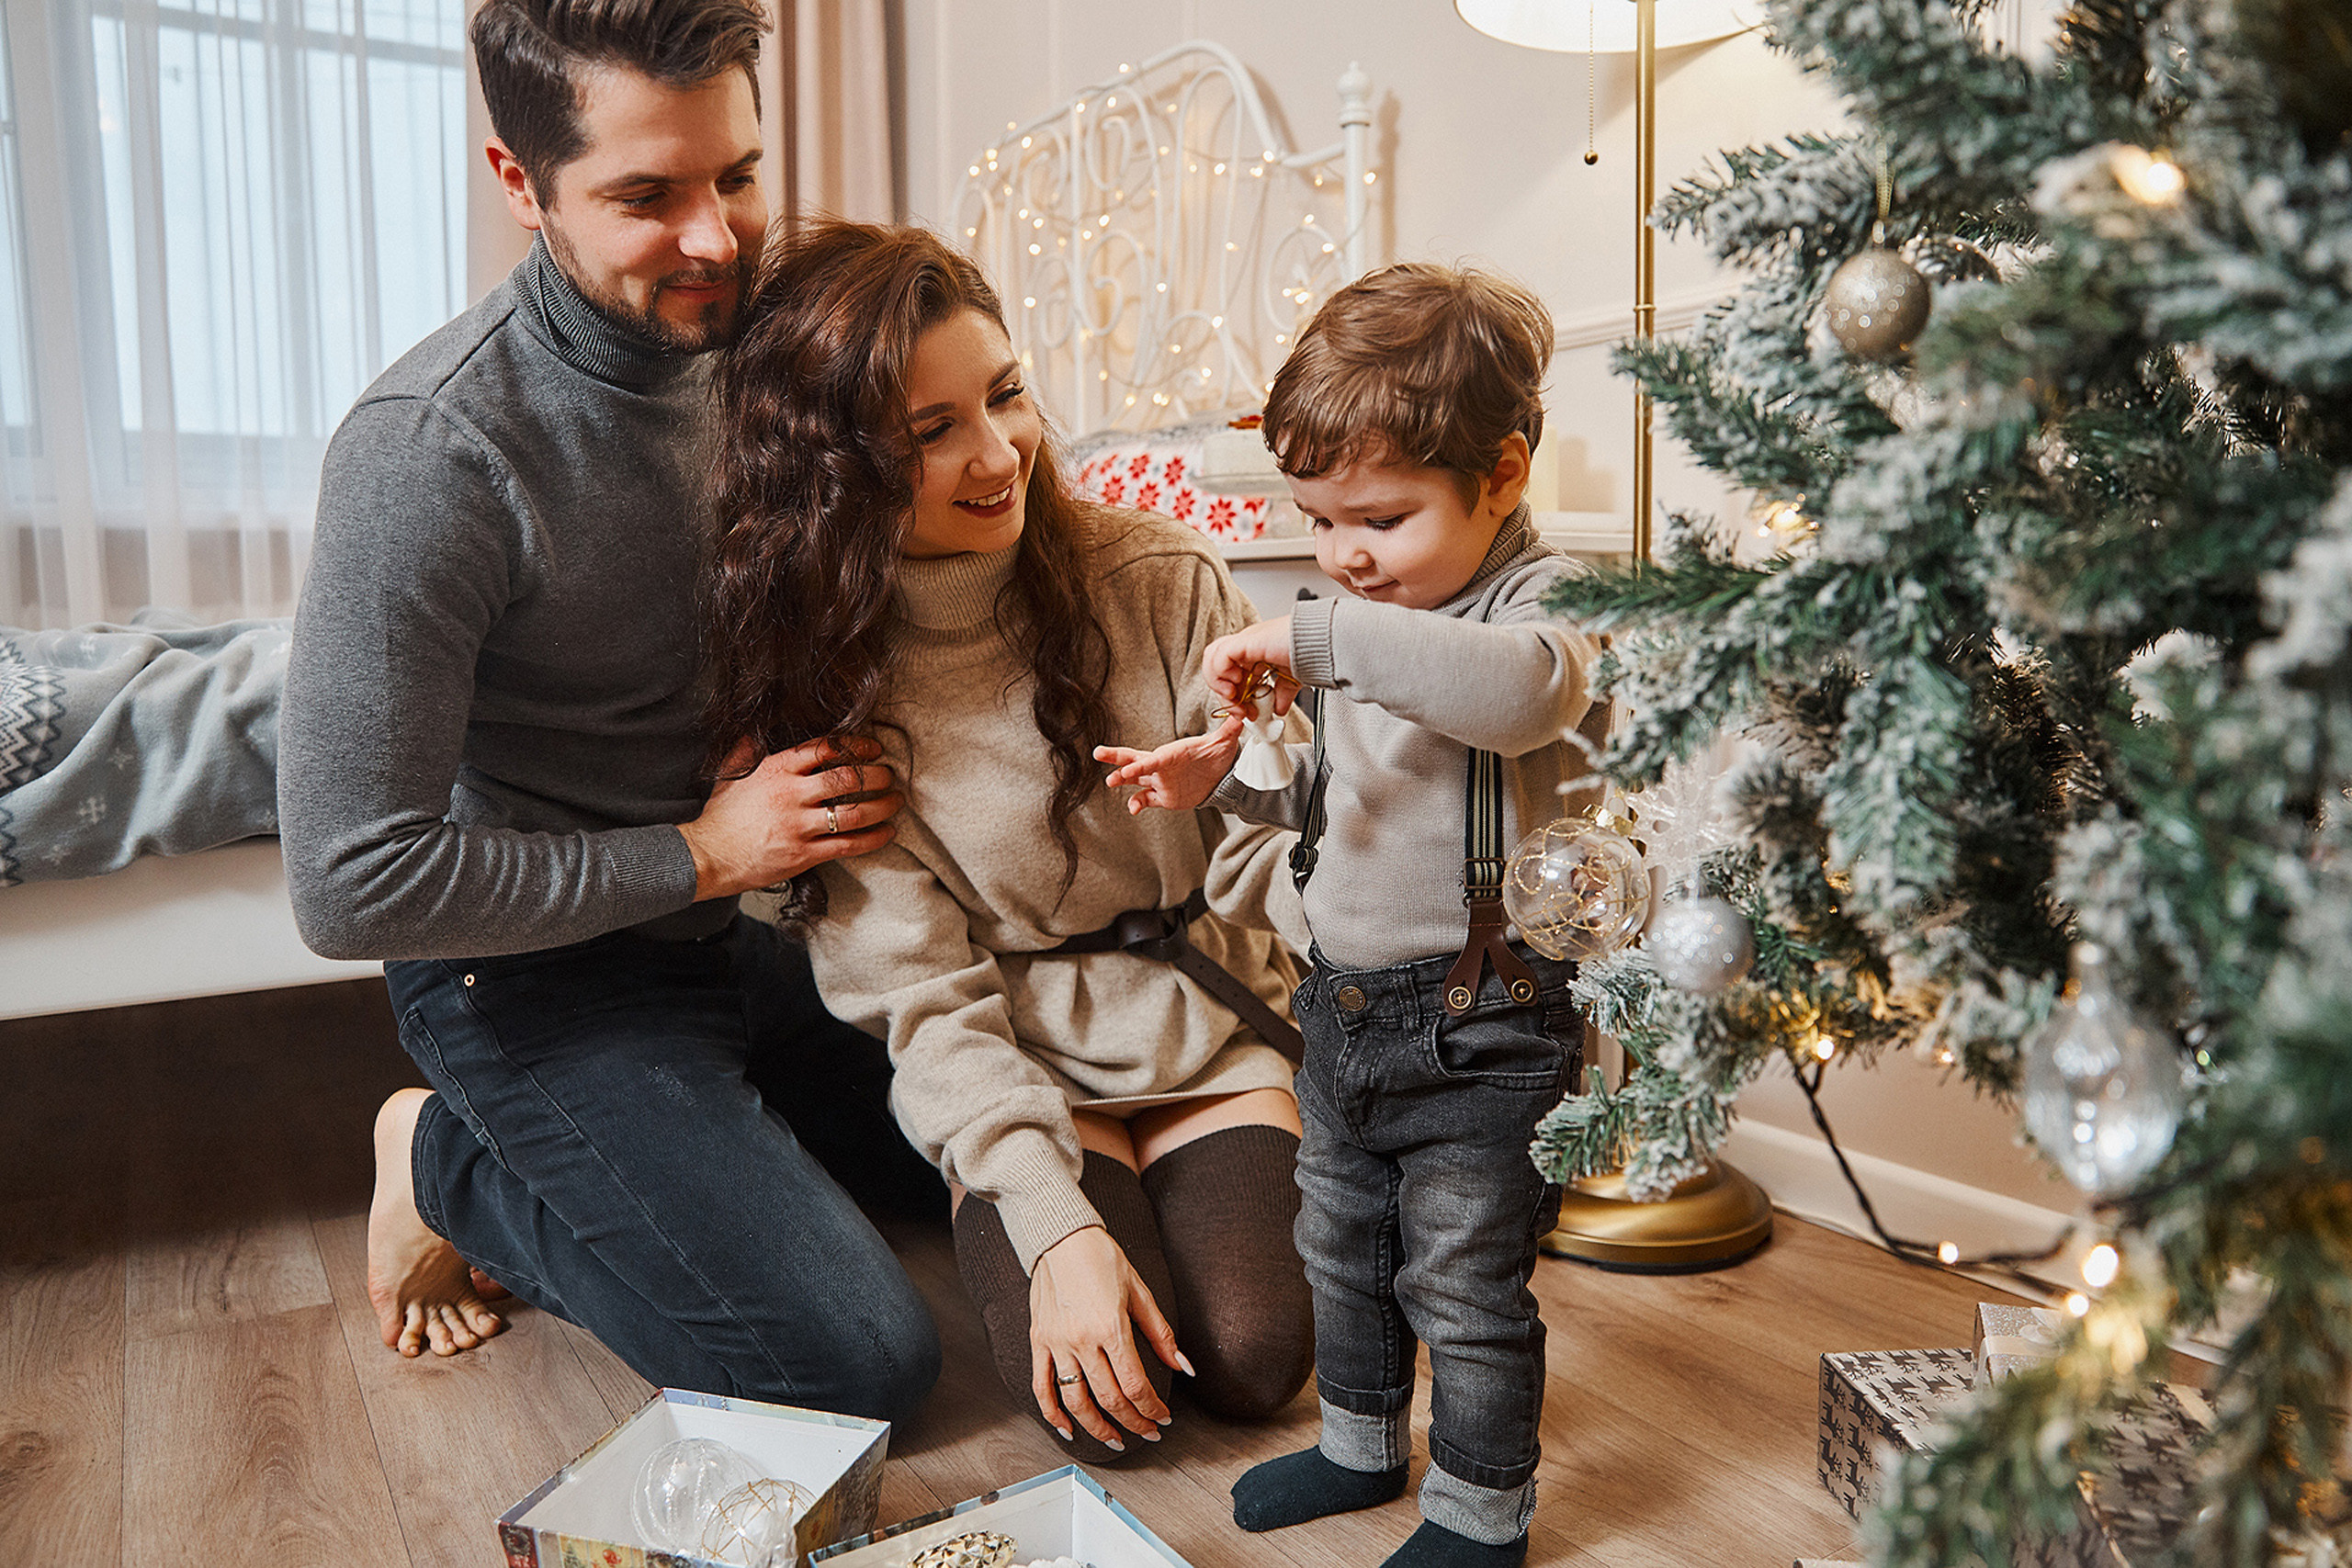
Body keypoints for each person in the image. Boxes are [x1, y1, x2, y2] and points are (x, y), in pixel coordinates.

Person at [277, 0, 940, 1424]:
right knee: (854, 1367)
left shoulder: (767, 343)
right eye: (647, 197)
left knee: (990, 1156)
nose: (717, 239)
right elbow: (347, 885)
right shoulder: (432, 453)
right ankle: (439, 1161)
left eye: (738, 175)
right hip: (529, 976)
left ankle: (685, 1142)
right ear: (522, 185)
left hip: (732, 937)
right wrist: (706, 851)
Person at [702, 220, 1317, 1462]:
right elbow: (923, 999)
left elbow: (1285, 842)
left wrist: (1284, 756)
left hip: (1207, 1019)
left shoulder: (1164, 577)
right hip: (1015, 1053)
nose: (997, 455)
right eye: (929, 433)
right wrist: (1054, 1225)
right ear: (833, 470)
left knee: (1256, 1360)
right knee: (1107, 1413)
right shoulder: (828, 686)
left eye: (1007, 394)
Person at [1096, 263, 1607, 1568]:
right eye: (1318, 523)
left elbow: (1517, 698)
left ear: (1502, 474)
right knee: (1341, 1250)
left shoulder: (1539, 610)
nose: (1343, 557)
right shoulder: (1378, 612)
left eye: (1380, 518)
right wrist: (1227, 779)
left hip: (1483, 1027)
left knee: (1464, 1284)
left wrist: (1319, 637)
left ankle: (1481, 1514)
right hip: (1342, 1015)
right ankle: (1360, 1443)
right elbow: (1334, 812)